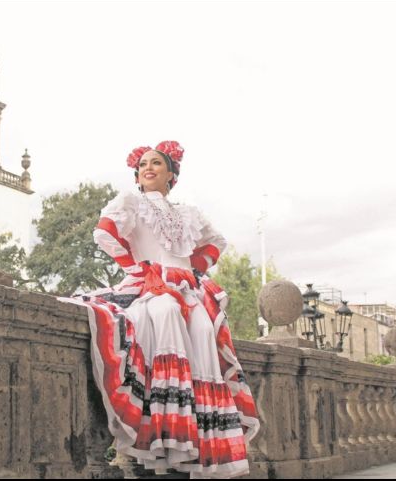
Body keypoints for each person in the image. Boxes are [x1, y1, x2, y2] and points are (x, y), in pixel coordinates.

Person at [60, 140, 259, 478]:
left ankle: (200, 444)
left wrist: (194, 270)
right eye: (142, 165)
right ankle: (166, 440)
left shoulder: (188, 213)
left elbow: (216, 243)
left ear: (171, 174)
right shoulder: (131, 203)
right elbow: (104, 233)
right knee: (166, 312)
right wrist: (138, 269)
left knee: (203, 329)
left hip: (188, 288)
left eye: (155, 163)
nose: (147, 168)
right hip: (152, 287)